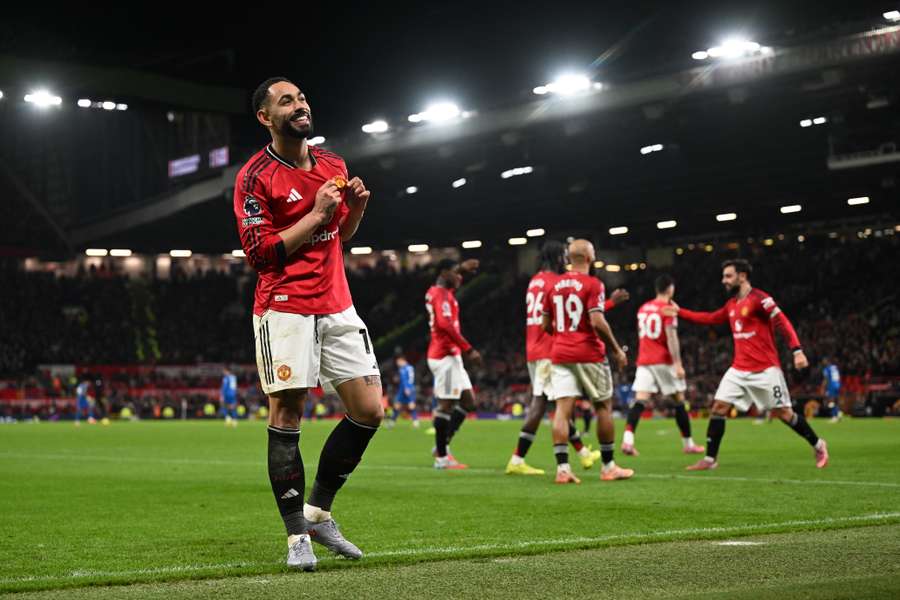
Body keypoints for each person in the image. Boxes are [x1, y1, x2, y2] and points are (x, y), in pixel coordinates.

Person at [233, 77, 384, 571]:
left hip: (337, 303)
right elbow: (261, 254)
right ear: (265, 118)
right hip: (284, 306)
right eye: (286, 101)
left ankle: (318, 512)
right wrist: (317, 213)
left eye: (300, 98)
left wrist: (354, 210)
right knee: (287, 414)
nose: (299, 105)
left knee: (369, 410)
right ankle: (297, 535)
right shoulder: (254, 177)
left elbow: (340, 232)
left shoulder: (333, 164)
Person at [665, 259, 828, 471]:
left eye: (728, 276)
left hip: (766, 369)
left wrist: (797, 350)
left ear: (742, 276)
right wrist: (681, 312)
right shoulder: (731, 304)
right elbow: (711, 318)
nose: (724, 281)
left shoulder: (760, 299)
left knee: (784, 414)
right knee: (718, 408)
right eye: (723, 276)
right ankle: (710, 459)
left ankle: (818, 445)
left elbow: (782, 321)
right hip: (739, 369)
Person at [506, 240, 628, 475]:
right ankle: (517, 459)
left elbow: (562, 314)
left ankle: (578, 455)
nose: (565, 259)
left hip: (537, 346)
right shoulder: (559, 281)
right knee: (544, 404)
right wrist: (611, 304)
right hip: (549, 348)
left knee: (561, 407)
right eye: (563, 255)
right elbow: (581, 315)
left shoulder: (536, 281)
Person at [542, 239, 633, 484]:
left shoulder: (553, 285)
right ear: (590, 258)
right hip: (589, 353)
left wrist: (563, 337)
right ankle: (608, 467)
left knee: (562, 411)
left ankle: (563, 470)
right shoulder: (593, 283)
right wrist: (617, 350)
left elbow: (545, 324)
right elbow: (597, 322)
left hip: (560, 354)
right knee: (603, 407)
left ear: (569, 258)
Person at [621, 275, 704, 456]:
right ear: (670, 289)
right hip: (663, 360)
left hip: (644, 360)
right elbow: (671, 337)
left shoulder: (643, 308)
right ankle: (688, 444)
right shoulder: (667, 309)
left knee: (640, 400)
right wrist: (678, 364)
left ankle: (628, 441)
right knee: (679, 400)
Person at [425, 258, 482, 469]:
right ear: (444, 273)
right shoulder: (441, 294)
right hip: (445, 355)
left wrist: (461, 270)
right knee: (446, 406)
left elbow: (451, 278)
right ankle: (442, 458)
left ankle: (442, 444)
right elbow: (445, 324)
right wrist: (469, 349)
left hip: (450, 356)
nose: (460, 277)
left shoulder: (438, 291)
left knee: (469, 402)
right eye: (455, 273)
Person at [390, 355, 419, 428]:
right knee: (397, 405)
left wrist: (407, 388)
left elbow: (408, 379)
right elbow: (405, 379)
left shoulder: (406, 368)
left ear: (402, 360)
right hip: (403, 389)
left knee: (411, 405)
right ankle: (392, 422)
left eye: (398, 362)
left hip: (407, 389)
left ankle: (415, 422)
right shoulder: (405, 368)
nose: (397, 363)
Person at [821, 357, 842, 422]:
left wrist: (823, 387)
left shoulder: (827, 369)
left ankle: (834, 416)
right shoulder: (835, 367)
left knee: (831, 400)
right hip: (837, 384)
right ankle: (839, 413)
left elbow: (826, 379)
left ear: (827, 361)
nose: (823, 362)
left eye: (824, 361)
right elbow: (838, 376)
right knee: (836, 400)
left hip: (831, 385)